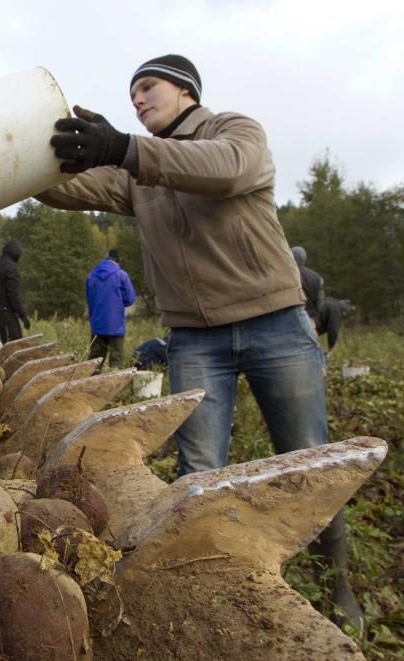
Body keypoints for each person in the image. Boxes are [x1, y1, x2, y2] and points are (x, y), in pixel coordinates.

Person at [38, 54, 362, 627]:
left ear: (185, 89)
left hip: (274, 325)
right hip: (194, 338)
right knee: (199, 475)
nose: (136, 100)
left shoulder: (233, 130)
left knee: (308, 460)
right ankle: (211, 589)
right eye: (131, 94)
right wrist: (30, 153)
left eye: (147, 87)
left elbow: (230, 168)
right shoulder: (136, 170)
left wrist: (124, 149)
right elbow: (67, 185)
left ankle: (337, 582)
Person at [85, 248, 137, 368]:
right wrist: (117, 302)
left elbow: (89, 299)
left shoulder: (91, 275)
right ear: (117, 261)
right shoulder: (121, 275)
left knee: (94, 361)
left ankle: (90, 383)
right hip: (115, 324)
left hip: (97, 324)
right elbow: (130, 299)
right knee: (116, 360)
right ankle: (115, 384)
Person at [0, 240, 31, 344]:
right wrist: (23, 317)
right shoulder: (11, 267)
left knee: (5, 343)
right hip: (6, 312)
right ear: (16, 255)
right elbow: (13, 295)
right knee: (16, 344)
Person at [292, 246, 325, 327]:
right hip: (310, 321)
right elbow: (320, 304)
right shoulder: (318, 278)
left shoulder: (285, 275)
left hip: (290, 320)